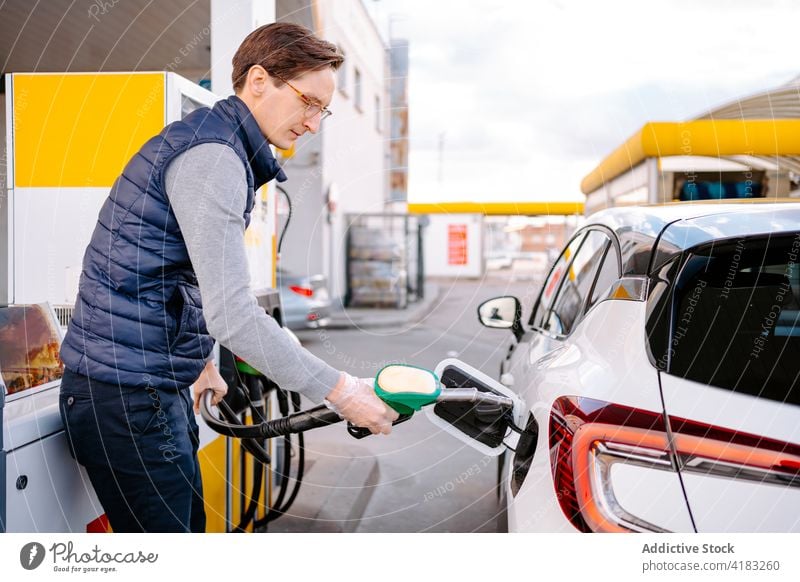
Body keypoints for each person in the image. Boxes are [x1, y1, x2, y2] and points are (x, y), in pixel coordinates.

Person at [58, 22, 399, 533]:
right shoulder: (214, 159)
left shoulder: (217, 148)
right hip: (128, 397)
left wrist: (198, 362)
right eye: (308, 102)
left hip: (135, 388)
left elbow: (171, 274)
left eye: (323, 110)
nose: (313, 124)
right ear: (258, 80)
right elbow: (234, 315)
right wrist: (343, 391)